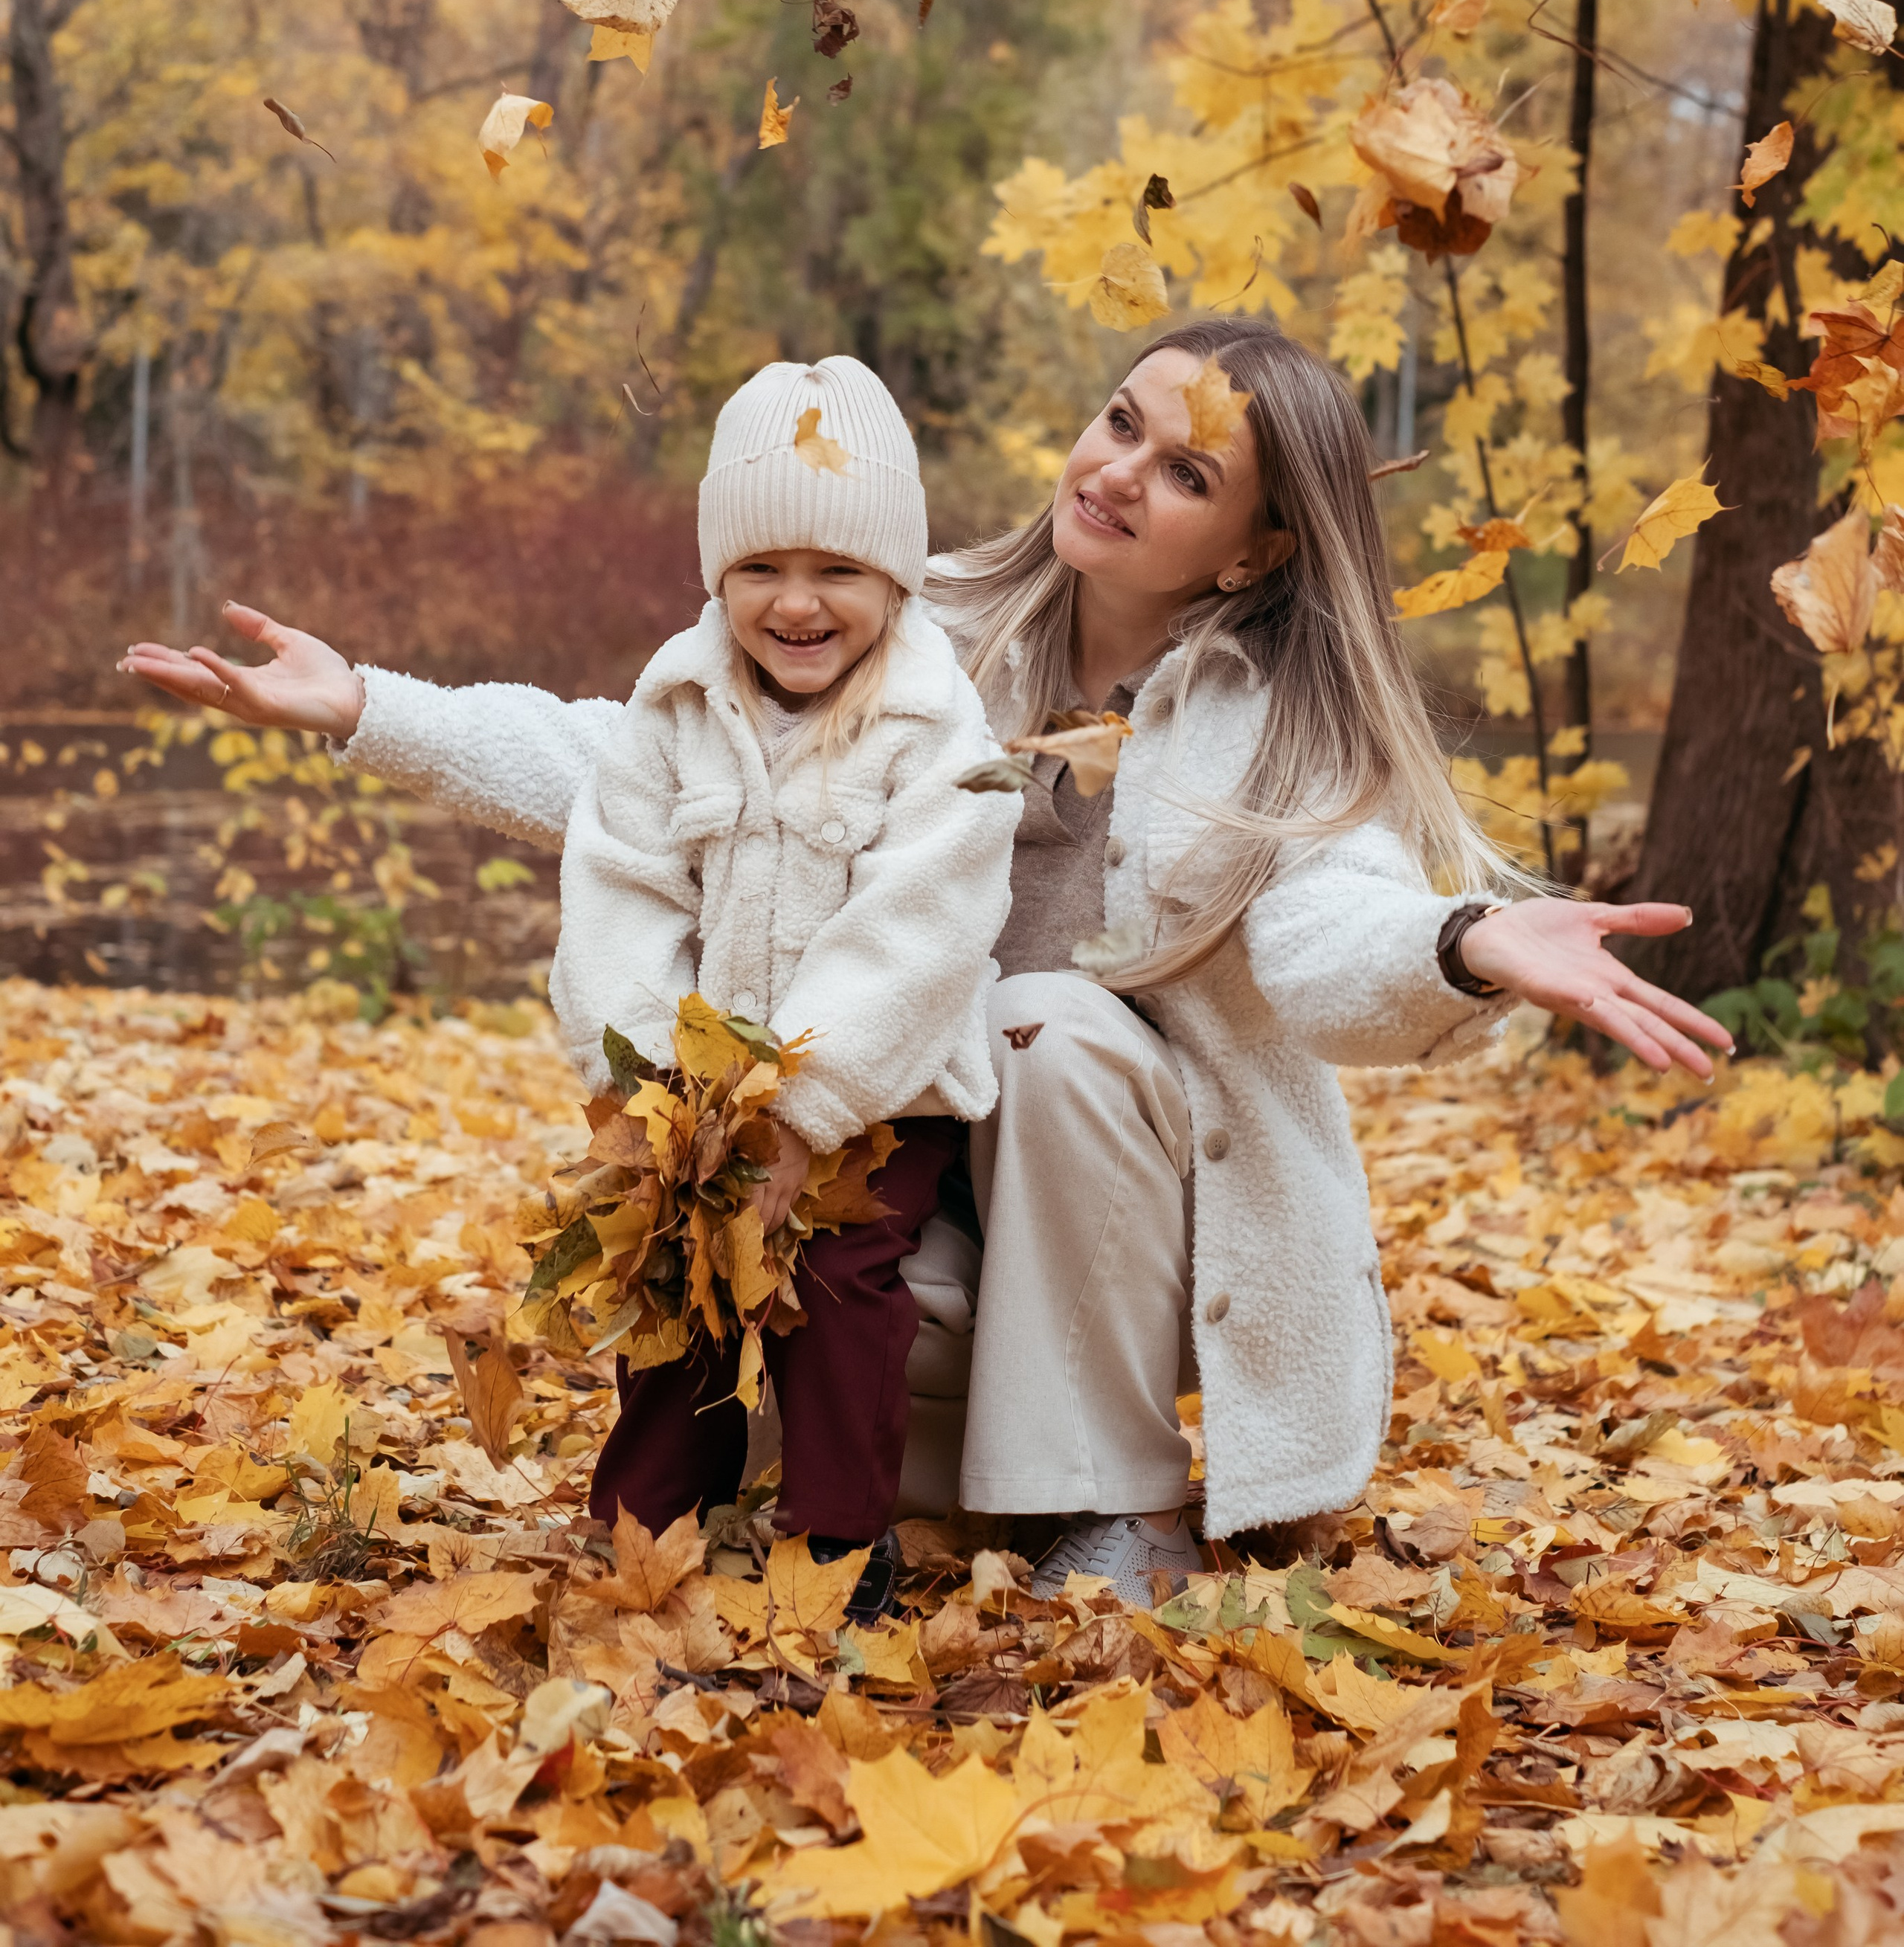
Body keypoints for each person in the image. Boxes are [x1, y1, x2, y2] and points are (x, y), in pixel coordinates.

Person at [122, 318, 1729, 1609]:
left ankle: (1117, 1502)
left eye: (1184, 474)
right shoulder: (914, 619)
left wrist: (1463, 940)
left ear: (1251, 551)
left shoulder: (1274, 733)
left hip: (1143, 1218)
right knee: (811, 1282)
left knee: (1047, 1021)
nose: (1118, 473)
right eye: (1119, 423)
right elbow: (650, 768)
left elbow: (1325, 941)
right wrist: (371, 710)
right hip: (905, 1159)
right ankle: (901, 1488)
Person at [125, 355, 1020, 1621]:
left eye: (838, 570)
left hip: (869, 1098)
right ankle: (649, 1524)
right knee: (670, 1282)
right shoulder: (677, 709)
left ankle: (834, 1544)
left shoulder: (935, 730)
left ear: (896, 577)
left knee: (835, 1279)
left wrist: (799, 1109)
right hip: (692, 1096)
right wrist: (654, 1094)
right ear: (718, 575)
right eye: (760, 568)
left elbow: (917, 932)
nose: (796, 603)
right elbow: (621, 893)